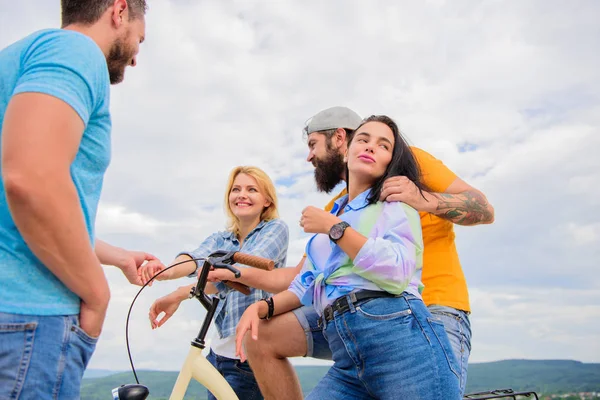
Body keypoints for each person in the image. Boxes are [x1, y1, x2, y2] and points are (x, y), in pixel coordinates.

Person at [233, 106, 494, 399]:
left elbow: (483, 209)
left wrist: (420, 198)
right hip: (346, 320)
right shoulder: (337, 206)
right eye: (366, 140)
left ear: (339, 140)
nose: (309, 157)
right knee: (262, 338)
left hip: (427, 309)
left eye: (312, 145)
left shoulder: (409, 166)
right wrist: (239, 277)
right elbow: (305, 277)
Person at [0, 0, 148, 398]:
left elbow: (18, 211)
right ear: (119, 11)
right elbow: (31, 179)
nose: (135, 57)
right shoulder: (77, 50)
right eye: (139, 38)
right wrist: (97, 293)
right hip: (31, 318)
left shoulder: (15, 60)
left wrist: (116, 256)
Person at [141, 166, 289, 400]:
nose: (242, 195)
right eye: (236, 189)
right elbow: (194, 259)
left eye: (252, 189)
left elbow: (243, 273)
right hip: (218, 354)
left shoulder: (275, 230)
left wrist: (179, 293)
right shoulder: (221, 238)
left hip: (249, 357)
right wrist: (164, 271)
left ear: (267, 201)